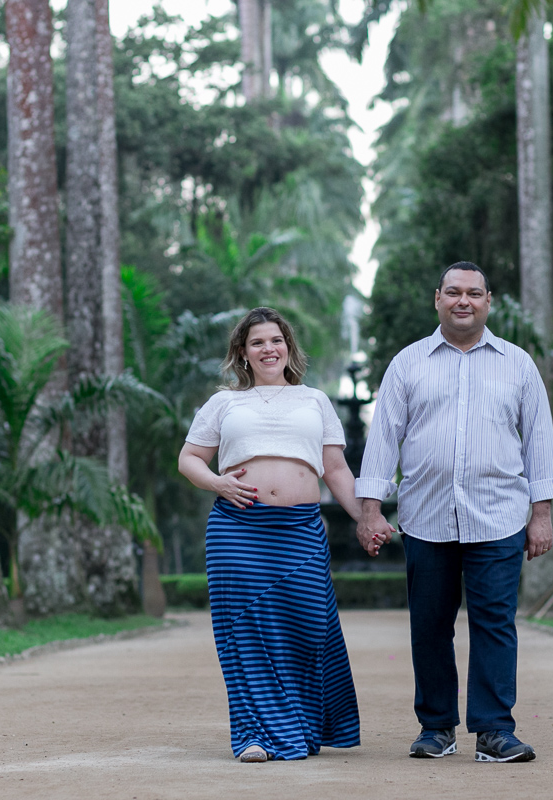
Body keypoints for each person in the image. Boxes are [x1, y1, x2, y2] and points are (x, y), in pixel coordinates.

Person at [355, 262, 553, 763]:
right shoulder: (408, 364)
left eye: (473, 293)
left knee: (495, 621)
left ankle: (494, 730)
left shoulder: (517, 364)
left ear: (488, 301)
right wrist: (369, 511)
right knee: (430, 623)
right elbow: (383, 440)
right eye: (453, 292)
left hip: (499, 516)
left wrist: (542, 514)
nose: (463, 301)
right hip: (426, 517)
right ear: (438, 299)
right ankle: (436, 729)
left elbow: (539, 441)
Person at [179, 307, 381, 763]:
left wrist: (366, 518)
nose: (268, 349)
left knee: (308, 626)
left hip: (299, 530)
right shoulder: (224, 403)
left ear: (288, 347)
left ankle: (301, 726)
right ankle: (253, 734)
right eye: (257, 343)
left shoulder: (315, 401)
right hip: (238, 528)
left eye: (276, 340)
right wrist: (217, 482)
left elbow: (335, 470)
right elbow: (189, 458)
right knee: (244, 630)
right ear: (242, 354)